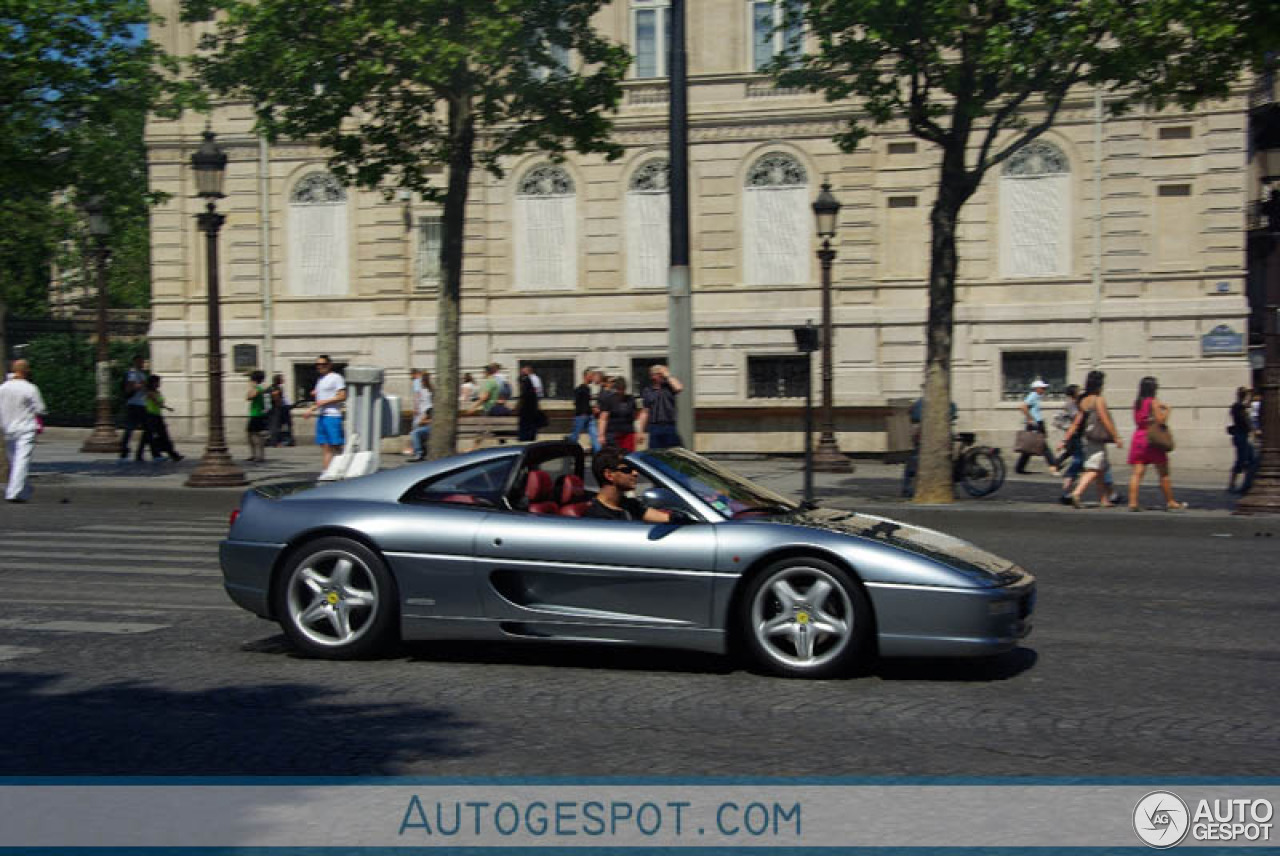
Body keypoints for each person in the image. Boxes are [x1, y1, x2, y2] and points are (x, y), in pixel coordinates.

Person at [1059, 369, 1123, 508]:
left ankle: (1103, 499)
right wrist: (1116, 436)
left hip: (1087, 438)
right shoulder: (1098, 400)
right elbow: (1105, 420)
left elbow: (1077, 422)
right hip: (1097, 439)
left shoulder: (1084, 400)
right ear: (1099, 385)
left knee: (1100, 468)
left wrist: (1065, 440)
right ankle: (1077, 493)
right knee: (1093, 469)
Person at [1126, 376, 1186, 511]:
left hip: (1138, 438)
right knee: (1163, 473)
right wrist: (1167, 410)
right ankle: (1170, 501)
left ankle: (1133, 502)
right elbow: (1161, 420)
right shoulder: (1153, 401)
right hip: (1152, 440)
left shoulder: (1137, 403)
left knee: (1137, 473)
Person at [0, 359, 46, 502]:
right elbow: (41, 409)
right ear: (26, 371)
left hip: (8, 428)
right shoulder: (30, 388)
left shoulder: (3, 387)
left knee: (15, 461)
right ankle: (13, 492)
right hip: (25, 428)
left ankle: (23, 492)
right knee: (22, 461)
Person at [585, 447, 671, 523]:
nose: (635, 473)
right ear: (609, 475)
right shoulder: (597, 517)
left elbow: (666, 518)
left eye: (634, 468)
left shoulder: (629, 504)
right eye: (627, 470)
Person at [302, 355, 347, 471]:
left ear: (329, 365)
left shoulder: (336, 377)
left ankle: (344, 469)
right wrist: (311, 410)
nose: (320, 367)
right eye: (318, 365)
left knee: (336, 446)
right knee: (325, 446)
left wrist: (325, 401)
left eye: (323, 364)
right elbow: (319, 401)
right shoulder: (320, 379)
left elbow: (342, 396)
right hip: (322, 416)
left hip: (332, 416)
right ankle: (327, 473)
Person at [1015, 379, 1059, 475]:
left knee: (1028, 446)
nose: (1044, 390)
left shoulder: (1036, 397)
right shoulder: (1033, 396)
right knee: (1043, 445)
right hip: (1035, 424)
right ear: (1037, 388)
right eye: (1042, 388)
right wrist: (1030, 419)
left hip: (1037, 423)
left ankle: (1019, 468)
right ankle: (1053, 467)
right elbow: (1023, 407)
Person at [637, 364, 684, 449]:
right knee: (655, 453)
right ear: (653, 376)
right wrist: (640, 431)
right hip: (654, 427)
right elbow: (645, 412)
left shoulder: (669, 387)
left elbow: (679, 388)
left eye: (662, 374)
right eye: (659, 374)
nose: (662, 376)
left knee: (672, 452)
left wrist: (668, 375)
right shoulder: (647, 390)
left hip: (669, 425)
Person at [138, 375, 183, 462]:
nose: (159, 383)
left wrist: (166, 407)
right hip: (150, 416)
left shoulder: (157, 392)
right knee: (157, 436)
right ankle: (169, 454)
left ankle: (140, 455)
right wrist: (165, 407)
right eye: (158, 382)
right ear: (153, 382)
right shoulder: (149, 392)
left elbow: (159, 403)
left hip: (157, 415)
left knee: (148, 436)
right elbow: (157, 402)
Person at [118, 355, 149, 460]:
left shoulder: (142, 374)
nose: (142, 364)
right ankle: (124, 452)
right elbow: (128, 389)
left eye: (142, 362)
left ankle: (139, 454)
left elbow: (145, 389)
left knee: (147, 429)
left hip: (142, 404)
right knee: (129, 429)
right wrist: (139, 386)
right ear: (135, 362)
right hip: (133, 404)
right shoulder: (131, 374)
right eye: (140, 362)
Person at [597, 376, 638, 452]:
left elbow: (635, 416)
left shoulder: (631, 399)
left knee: (628, 456)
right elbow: (603, 418)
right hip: (613, 433)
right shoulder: (609, 399)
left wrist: (638, 431)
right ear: (616, 388)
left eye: (622, 388)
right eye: (619, 388)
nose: (621, 391)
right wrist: (601, 435)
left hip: (628, 432)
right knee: (613, 456)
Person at [568, 368, 601, 453]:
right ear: (586, 376)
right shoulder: (582, 389)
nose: (593, 378)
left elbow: (581, 403)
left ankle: (598, 452)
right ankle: (568, 450)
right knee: (575, 436)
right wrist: (585, 411)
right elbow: (579, 403)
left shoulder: (586, 389)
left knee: (593, 435)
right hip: (582, 415)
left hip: (587, 415)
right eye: (591, 376)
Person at [244, 370, 269, 463]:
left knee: (256, 436)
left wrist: (252, 386)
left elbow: (249, 397)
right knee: (253, 435)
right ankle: (256, 455)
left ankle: (259, 455)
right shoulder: (259, 388)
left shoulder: (258, 389)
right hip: (256, 414)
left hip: (257, 415)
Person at [408, 371, 434, 461]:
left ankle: (418, 452)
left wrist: (416, 409)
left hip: (423, 412)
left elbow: (417, 398)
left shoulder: (421, 388)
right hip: (425, 412)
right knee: (417, 431)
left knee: (415, 432)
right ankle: (420, 451)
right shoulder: (431, 390)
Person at [517, 364, 545, 441]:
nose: (521, 373)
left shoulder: (532, 379)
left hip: (530, 407)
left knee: (528, 426)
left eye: (523, 371)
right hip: (532, 406)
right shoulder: (530, 380)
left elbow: (536, 390)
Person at [266, 373, 294, 447]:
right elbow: (276, 397)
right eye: (282, 378)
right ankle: (274, 442)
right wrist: (280, 406)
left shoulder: (274, 387)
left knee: (276, 426)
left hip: (274, 409)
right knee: (275, 426)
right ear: (278, 380)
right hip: (276, 409)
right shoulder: (275, 388)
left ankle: (275, 441)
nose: (283, 380)